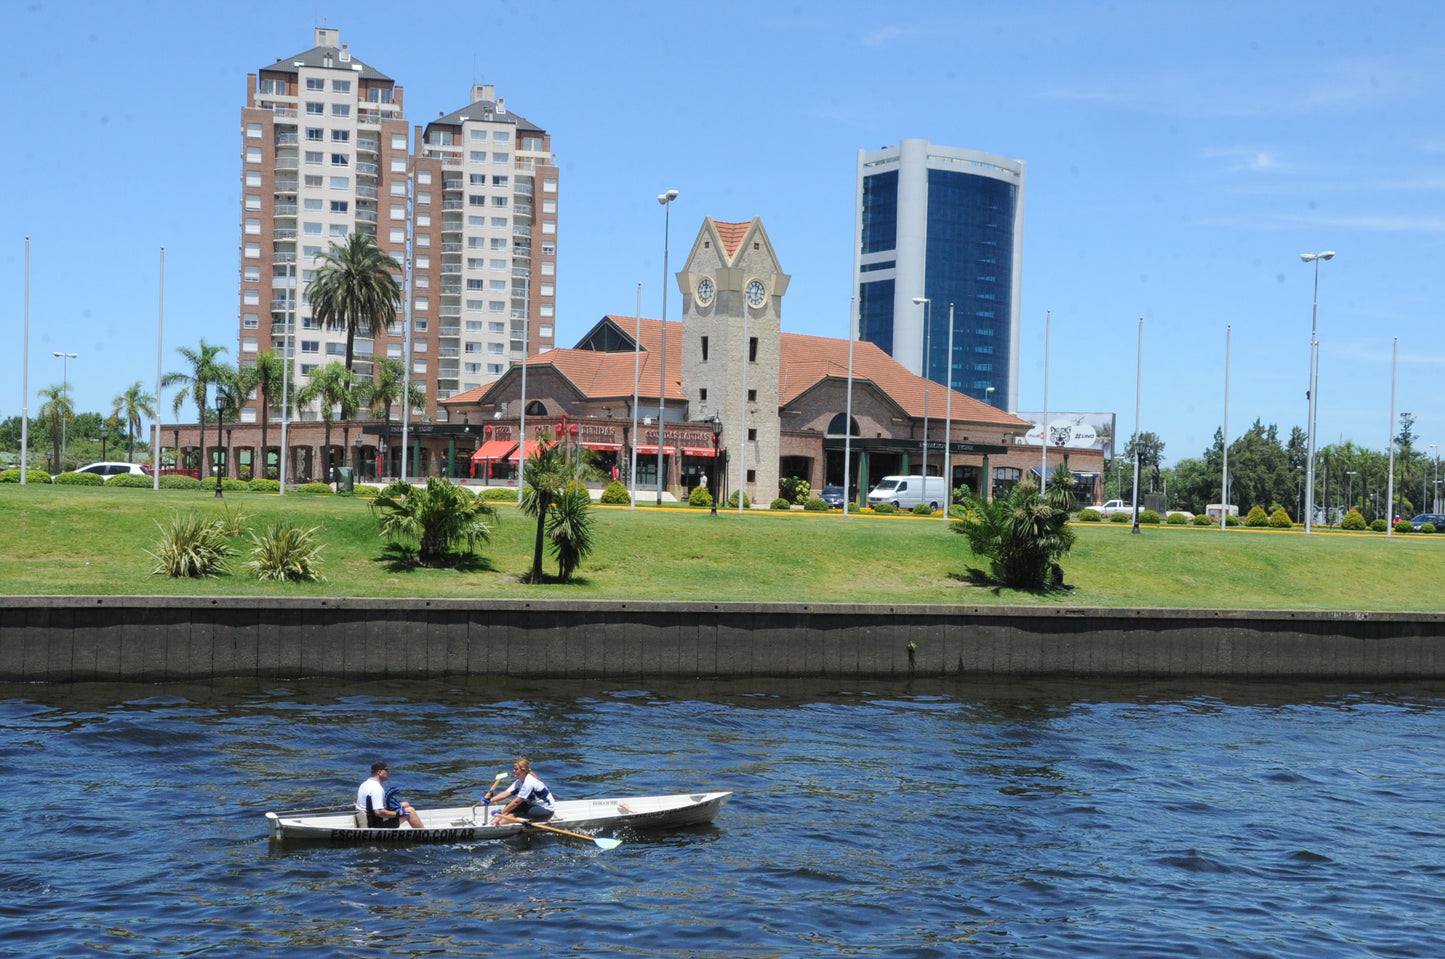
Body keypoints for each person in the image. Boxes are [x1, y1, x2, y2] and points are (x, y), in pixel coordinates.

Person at [485, 757, 556, 824]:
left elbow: (516, 802)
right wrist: (489, 800)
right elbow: (506, 793)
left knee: (517, 810)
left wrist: (501, 812)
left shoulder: (530, 782)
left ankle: (497, 825)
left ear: (524, 771)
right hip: (534, 806)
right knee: (509, 806)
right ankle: (492, 824)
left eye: (516, 769)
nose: (514, 771)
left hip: (546, 811)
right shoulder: (519, 781)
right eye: (514, 769)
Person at [357, 760, 423, 829]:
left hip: (367, 817)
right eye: (387, 770)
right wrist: (398, 813)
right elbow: (378, 812)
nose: (388, 772)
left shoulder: (364, 784)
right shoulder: (376, 789)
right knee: (410, 811)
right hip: (375, 825)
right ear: (379, 772)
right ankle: (424, 834)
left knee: (405, 804)